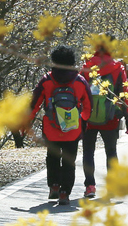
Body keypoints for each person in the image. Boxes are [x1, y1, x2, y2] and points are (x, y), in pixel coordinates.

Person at [29, 45, 92, 205]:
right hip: (72, 129)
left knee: (52, 157)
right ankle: (65, 193)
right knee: (69, 161)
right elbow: (88, 106)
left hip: (52, 129)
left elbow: (34, 104)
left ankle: (54, 186)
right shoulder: (80, 81)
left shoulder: (47, 81)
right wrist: (82, 120)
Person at [80, 33, 128, 199]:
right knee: (111, 151)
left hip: (88, 117)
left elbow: (80, 90)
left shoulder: (87, 66)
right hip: (110, 117)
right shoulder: (117, 67)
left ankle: (90, 186)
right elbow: (125, 92)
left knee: (88, 151)